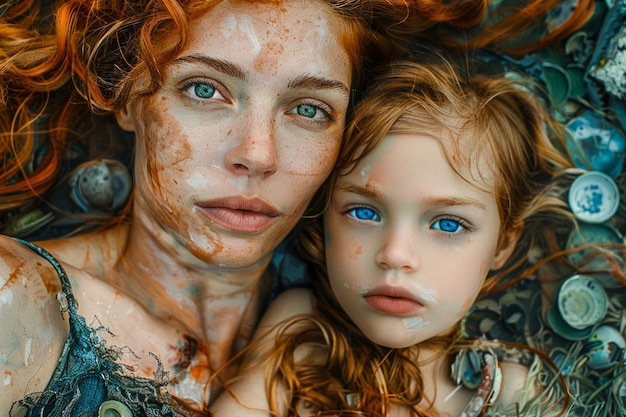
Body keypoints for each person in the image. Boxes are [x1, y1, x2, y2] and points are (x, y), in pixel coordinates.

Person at [0, 0, 408, 415]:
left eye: (308, 109)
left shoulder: (379, 328)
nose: (258, 154)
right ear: (127, 97)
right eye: (204, 89)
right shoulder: (17, 298)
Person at [210, 57, 582, 416]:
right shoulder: (300, 333)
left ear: (503, 244)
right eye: (364, 213)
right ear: (323, 219)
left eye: (448, 224)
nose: (395, 254)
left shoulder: (508, 392)